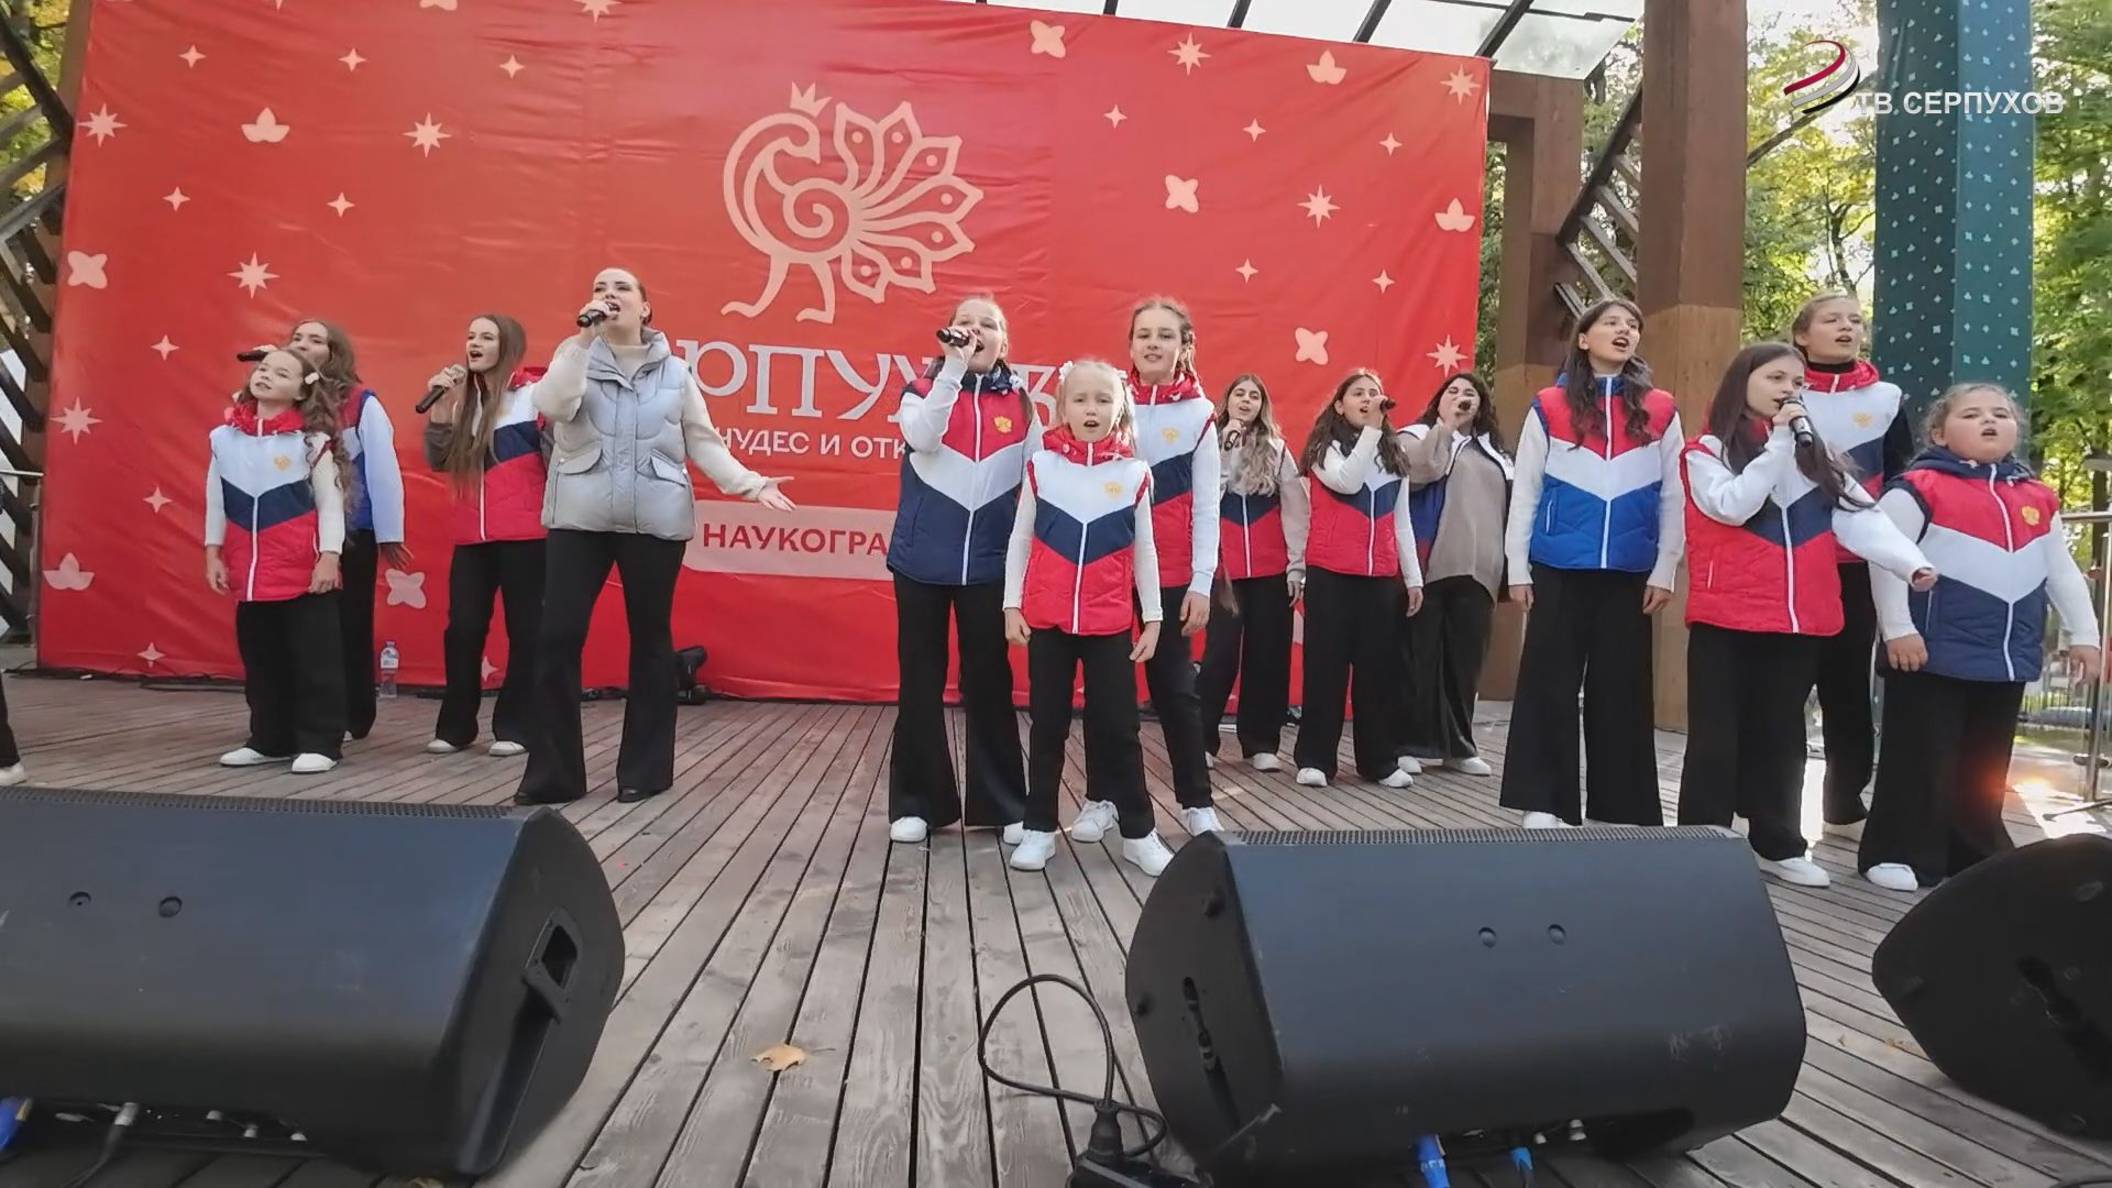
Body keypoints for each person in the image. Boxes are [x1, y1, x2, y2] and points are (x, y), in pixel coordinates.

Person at [516, 268, 796, 806]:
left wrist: (751, 483)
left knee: (650, 640)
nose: (609, 295)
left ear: (645, 308)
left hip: (655, 518)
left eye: (622, 289)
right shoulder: (574, 355)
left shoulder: (676, 372)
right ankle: (553, 775)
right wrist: (581, 340)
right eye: (601, 288)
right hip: (579, 516)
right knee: (556, 637)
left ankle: (644, 772)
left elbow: (702, 441)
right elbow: (552, 406)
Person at [1675, 343, 1933, 888]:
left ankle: (1777, 843)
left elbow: (1863, 516)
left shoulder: (1817, 457)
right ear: (1742, 382)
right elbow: (1732, 505)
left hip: (1799, 620)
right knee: (1716, 738)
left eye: (1797, 383)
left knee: (1783, 737)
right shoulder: (1706, 450)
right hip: (1727, 617)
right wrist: (1777, 446)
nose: (1789, 390)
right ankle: (1700, 843)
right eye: (1776, 378)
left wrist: (1910, 563)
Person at [1861, 384, 2103, 890]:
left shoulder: (2037, 496)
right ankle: (1897, 851)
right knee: (1921, 755)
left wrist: (2086, 634)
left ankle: (1972, 853)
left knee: (1986, 764)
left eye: (2000, 414)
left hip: (2005, 656)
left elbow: (2061, 571)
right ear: (1938, 433)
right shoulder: (1916, 488)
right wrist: (1898, 629)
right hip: (1931, 653)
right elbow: (1885, 559)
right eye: (1971, 414)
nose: (1989, 421)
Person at [1499, 298, 1684, 828]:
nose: (1624, 330)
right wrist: (1517, 567)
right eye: (1611, 323)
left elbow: (1674, 494)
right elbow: (1526, 489)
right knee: (1548, 682)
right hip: (1557, 565)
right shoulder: (1549, 405)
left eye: (1632, 325)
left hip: (1631, 569)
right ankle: (1544, 800)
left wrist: (1665, 567)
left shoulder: (1661, 409)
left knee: (1623, 687)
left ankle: (1622, 806)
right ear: (1584, 338)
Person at [1002, 359, 1175, 876]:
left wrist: (1153, 618)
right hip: (1048, 622)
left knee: (1120, 729)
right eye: (1080, 399)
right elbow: (1021, 538)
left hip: (1109, 624)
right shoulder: (1042, 466)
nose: (1091, 409)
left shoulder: (1134, 474)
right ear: (1062, 406)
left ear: (1120, 408)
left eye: (1103, 400)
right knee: (1048, 727)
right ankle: (1039, 828)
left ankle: (1139, 834)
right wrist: (1012, 603)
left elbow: (1145, 550)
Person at [885, 295, 1036, 846]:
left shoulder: (1023, 405)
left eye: (988, 324)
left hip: (991, 565)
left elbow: (1036, 485)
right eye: (964, 324)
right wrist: (950, 371)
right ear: (948, 334)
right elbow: (923, 438)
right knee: (920, 680)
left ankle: (1004, 804)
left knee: (990, 682)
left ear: (1004, 342)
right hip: (920, 561)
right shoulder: (919, 390)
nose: (975, 331)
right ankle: (918, 803)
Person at [1791, 292, 1915, 828]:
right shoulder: (1782, 390)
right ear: (1802, 335)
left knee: (1846, 683)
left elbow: (1903, 475)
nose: (1847, 327)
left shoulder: (1886, 399)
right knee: (1788, 681)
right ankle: (1774, 801)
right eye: (1831, 320)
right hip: (1793, 556)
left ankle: (1844, 796)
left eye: (1855, 320)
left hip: (1856, 561)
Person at [205, 348, 349, 774]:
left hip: (302, 571)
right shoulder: (223, 438)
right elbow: (216, 501)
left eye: (282, 373)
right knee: (262, 661)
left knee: (315, 661)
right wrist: (213, 552)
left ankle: (321, 742)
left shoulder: (312, 442)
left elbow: (330, 505)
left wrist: (329, 557)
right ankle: (270, 740)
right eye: (264, 369)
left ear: (302, 390)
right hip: (250, 571)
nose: (266, 376)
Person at [421, 313, 547, 758]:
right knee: (463, 629)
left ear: (507, 345)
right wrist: (441, 408)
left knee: (526, 630)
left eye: (487, 337)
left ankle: (516, 725)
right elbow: (441, 461)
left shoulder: (534, 397)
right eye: (471, 335)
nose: (474, 343)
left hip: (527, 536)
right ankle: (456, 727)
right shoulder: (464, 403)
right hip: (472, 539)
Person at [1293, 369, 1425, 789]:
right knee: (1326, 669)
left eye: (1374, 393)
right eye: (1358, 394)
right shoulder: (1324, 449)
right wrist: (1371, 431)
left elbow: (1401, 521)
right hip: (1331, 574)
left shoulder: (1394, 456)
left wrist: (1413, 577)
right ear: (1340, 405)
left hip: (1380, 577)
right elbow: (1346, 482)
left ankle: (1379, 761)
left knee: (1378, 673)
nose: (1368, 399)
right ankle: (1316, 759)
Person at [1121, 297, 1222, 835]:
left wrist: (1201, 581)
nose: (1153, 344)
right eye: (1144, 334)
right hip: (1110, 569)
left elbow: (1207, 507)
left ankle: (1197, 803)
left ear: (1185, 346)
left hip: (1171, 573)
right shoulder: (1111, 400)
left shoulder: (1199, 414)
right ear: (1131, 344)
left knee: (1176, 690)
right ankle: (1105, 797)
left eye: (1165, 335)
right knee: (1112, 690)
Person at [287, 319, 408, 741]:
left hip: (352, 530)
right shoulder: (281, 402)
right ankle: (303, 710)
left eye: (314, 340)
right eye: (297, 338)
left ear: (334, 352)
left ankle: (353, 712)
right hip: (294, 532)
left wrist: (389, 532)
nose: (303, 344)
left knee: (349, 622)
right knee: (302, 625)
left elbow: (383, 469)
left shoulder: (360, 403)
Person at [1399, 372, 1512, 775]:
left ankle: (1459, 747)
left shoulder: (1496, 453)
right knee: (1418, 657)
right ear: (1438, 400)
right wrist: (1445, 427)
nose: (1462, 397)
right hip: (1429, 565)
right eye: (1453, 391)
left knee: (1466, 661)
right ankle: (1407, 742)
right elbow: (1418, 472)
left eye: (1470, 393)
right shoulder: (1415, 436)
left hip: (1481, 570)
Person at [1197, 373, 1306, 772]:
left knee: (1267, 655)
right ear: (1227, 401)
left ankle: (1261, 742)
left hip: (1270, 568)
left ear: (1263, 406)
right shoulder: (1209, 444)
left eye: (1254, 396)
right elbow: (1204, 499)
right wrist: (1226, 452)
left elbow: (1296, 509)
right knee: (1220, 655)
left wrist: (1296, 566)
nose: (1246, 400)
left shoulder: (1277, 449)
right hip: (1223, 568)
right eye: (1239, 394)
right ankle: (1202, 741)